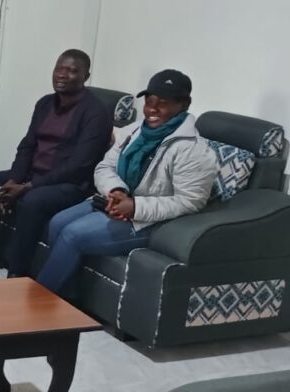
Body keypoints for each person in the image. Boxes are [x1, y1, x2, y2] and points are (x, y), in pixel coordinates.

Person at [36, 69, 218, 294]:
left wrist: (136, 207)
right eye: (149, 102)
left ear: (184, 105)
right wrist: (116, 190)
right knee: (57, 222)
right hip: (114, 202)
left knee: (73, 234)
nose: (152, 109)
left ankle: (39, 302)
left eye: (162, 104)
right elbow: (105, 167)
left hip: (149, 221)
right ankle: (65, 300)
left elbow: (190, 201)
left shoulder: (193, 150)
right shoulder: (134, 131)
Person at [0, 49, 112, 277]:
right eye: (59, 68)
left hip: (71, 184)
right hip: (33, 176)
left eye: (72, 71)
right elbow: (27, 145)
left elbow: (80, 165)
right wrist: (14, 180)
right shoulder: (45, 103)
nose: (62, 75)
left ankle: (17, 273)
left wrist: (28, 187)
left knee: (32, 201)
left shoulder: (96, 112)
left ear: (85, 77)